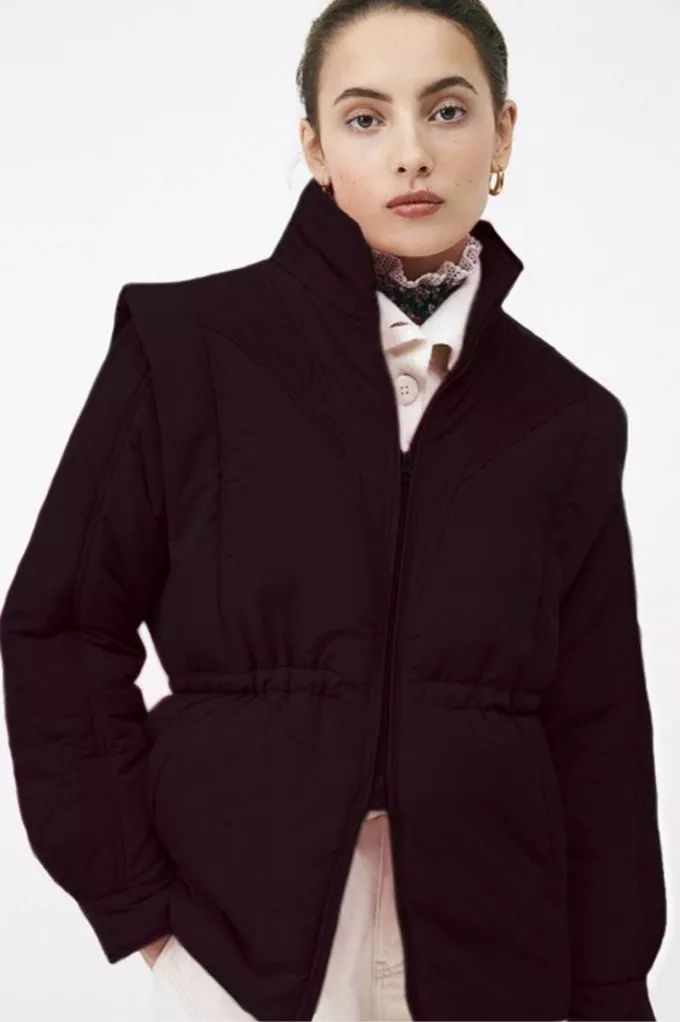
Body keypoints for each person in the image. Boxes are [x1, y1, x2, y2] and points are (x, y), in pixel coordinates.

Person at [0, 1, 667, 1020]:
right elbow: (60, 629)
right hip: (236, 956)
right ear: (314, 147)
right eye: (365, 117)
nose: (411, 152)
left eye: (447, 110)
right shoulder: (187, 348)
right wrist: (139, 906)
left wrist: (612, 988)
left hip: (501, 957)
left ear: (502, 135)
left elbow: (598, 725)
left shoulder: (566, 419)